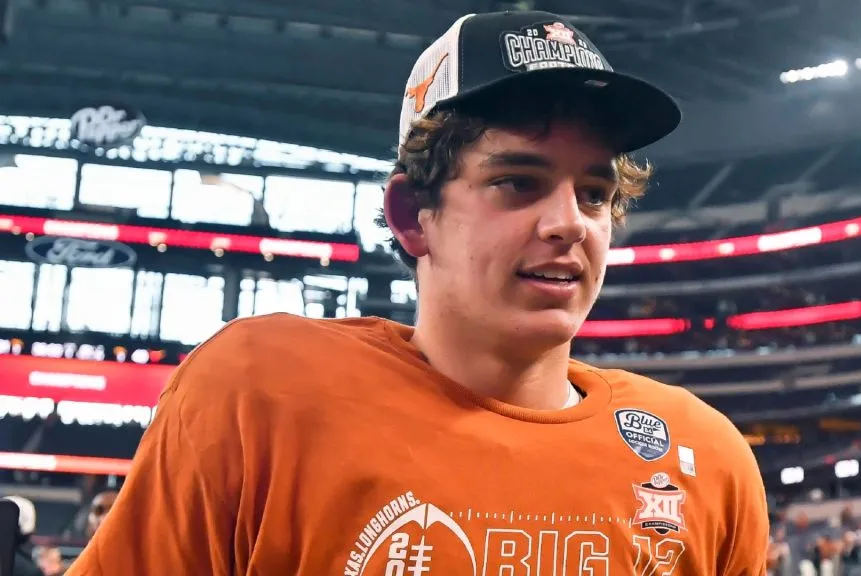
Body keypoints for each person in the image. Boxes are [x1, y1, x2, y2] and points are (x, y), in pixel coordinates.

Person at [67, 10, 768, 575]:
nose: (569, 224)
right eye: (517, 183)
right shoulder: (259, 395)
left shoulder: (705, 458)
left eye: (593, 193)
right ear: (411, 215)